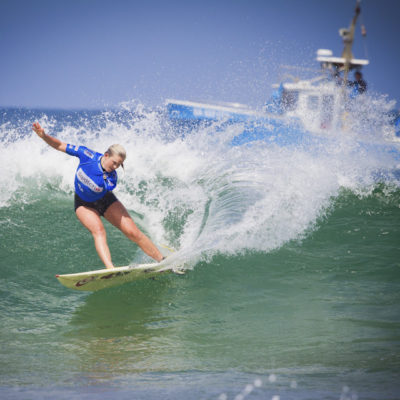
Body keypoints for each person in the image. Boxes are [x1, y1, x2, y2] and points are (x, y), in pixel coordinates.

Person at [32, 122, 164, 268]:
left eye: (119, 165)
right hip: (83, 204)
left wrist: (105, 175)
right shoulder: (86, 155)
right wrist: (44, 136)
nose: (115, 167)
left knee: (133, 232)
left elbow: (103, 186)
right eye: (114, 163)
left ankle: (162, 260)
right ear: (106, 155)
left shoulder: (111, 178)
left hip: (106, 201)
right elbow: (59, 145)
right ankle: (110, 269)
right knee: (99, 231)